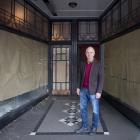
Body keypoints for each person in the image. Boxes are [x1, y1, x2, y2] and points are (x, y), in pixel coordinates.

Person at [76, 46, 104, 134]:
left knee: (95, 110)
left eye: (91, 52)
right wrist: (78, 87)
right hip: (83, 90)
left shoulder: (98, 64)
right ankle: (84, 127)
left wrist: (99, 91)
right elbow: (79, 76)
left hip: (94, 91)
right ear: (85, 54)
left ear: (94, 53)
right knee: (83, 109)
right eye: (88, 52)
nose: (89, 54)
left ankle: (94, 127)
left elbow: (101, 79)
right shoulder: (82, 63)